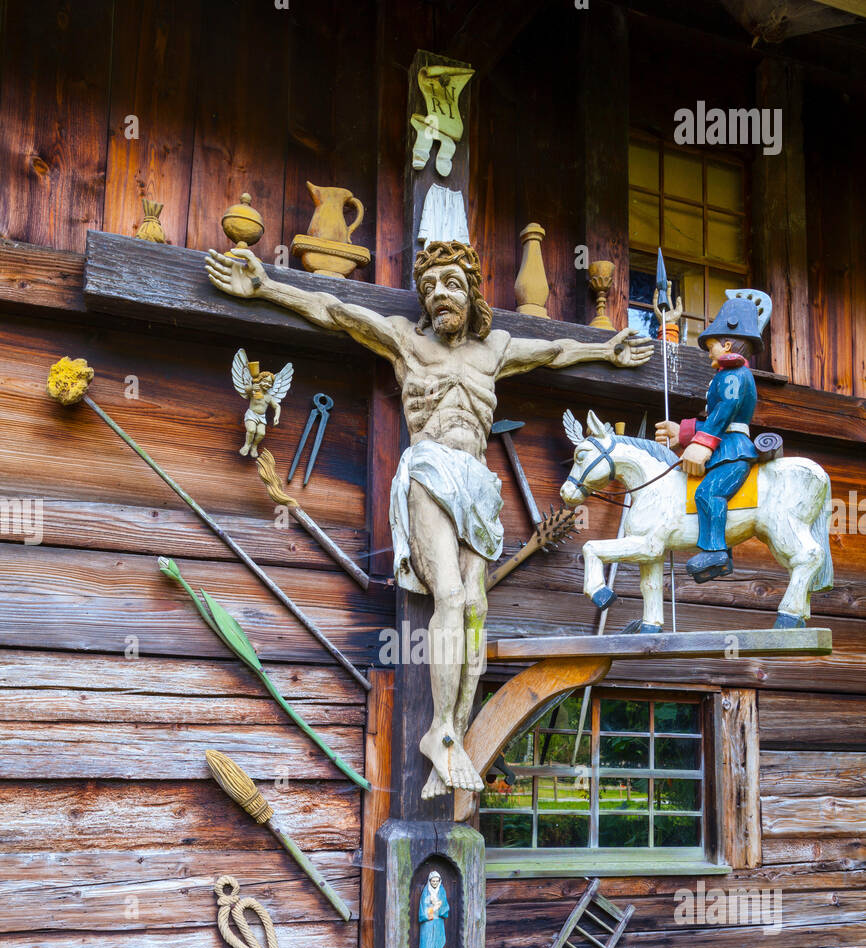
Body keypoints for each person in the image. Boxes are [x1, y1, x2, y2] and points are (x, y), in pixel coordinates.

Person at [206, 239, 652, 795]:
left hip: (477, 482)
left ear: (471, 293)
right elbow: (336, 312)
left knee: (475, 609)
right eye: (432, 286)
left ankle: (454, 735)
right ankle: (440, 733)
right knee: (450, 598)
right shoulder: (405, 341)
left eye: (452, 284)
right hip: (429, 468)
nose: (441, 294)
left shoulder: (496, 350)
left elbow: (557, 350)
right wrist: (268, 286)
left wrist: (606, 351)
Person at [655, 291, 768, 583]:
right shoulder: (727, 375)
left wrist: (701, 445)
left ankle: (716, 551)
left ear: (727, 343)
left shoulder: (732, 375)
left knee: (709, 493)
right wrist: (681, 431)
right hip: (726, 444)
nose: (709, 352)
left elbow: (725, 413)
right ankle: (721, 556)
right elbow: (715, 418)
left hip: (734, 447)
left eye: (711, 346)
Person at [418, 870, 449, 948]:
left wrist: (439, 906)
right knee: (427, 945)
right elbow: (422, 912)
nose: (435, 883)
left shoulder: (442, 891)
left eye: (436, 881)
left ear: (439, 881)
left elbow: (445, 908)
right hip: (428, 924)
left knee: (438, 943)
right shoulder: (426, 892)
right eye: (433, 881)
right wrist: (432, 909)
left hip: (438, 923)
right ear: (429, 881)